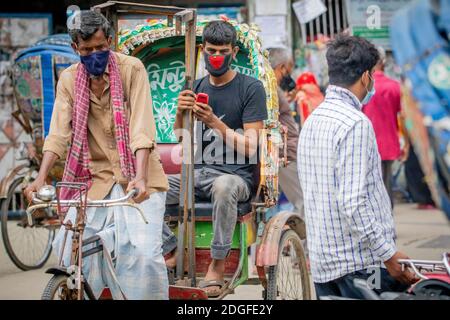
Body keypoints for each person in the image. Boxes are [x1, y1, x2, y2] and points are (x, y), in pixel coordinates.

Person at [24, 10, 169, 300]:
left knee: (141, 254)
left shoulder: (132, 69)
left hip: (139, 179)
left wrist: (139, 177)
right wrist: (40, 179)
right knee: (70, 248)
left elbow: (141, 127)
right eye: (87, 50)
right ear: (75, 48)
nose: (94, 55)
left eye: (100, 48)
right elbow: (58, 134)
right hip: (93, 181)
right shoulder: (69, 79)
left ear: (111, 43)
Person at [297, 34, 417, 300]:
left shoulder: (313, 119)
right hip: (358, 264)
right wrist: (389, 254)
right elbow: (353, 202)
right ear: (366, 77)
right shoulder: (355, 123)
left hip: (323, 263)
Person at [161, 20, 267, 297]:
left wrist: (214, 122)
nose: (216, 56)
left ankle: (217, 265)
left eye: (222, 50)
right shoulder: (195, 86)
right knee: (149, 184)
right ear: (202, 50)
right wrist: (179, 112)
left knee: (224, 186)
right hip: (198, 172)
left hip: (236, 177)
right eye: (210, 50)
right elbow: (182, 139)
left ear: (232, 52)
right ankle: (168, 248)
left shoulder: (251, 88)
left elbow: (252, 147)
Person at [362, 46, 410, 208]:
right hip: (389, 143)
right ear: (383, 62)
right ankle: (387, 219)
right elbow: (402, 116)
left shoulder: (364, 87)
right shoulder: (394, 86)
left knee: (368, 186)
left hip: (366, 143)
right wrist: (406, 142)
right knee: (386, 183)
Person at [267, 47, 304, 223]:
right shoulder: (271, 86)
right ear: (281, 67)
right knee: (304, 201)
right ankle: (304, 247)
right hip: (286, 154)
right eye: (287, 70)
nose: (287, 75)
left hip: (283, 152)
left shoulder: (271, 88)